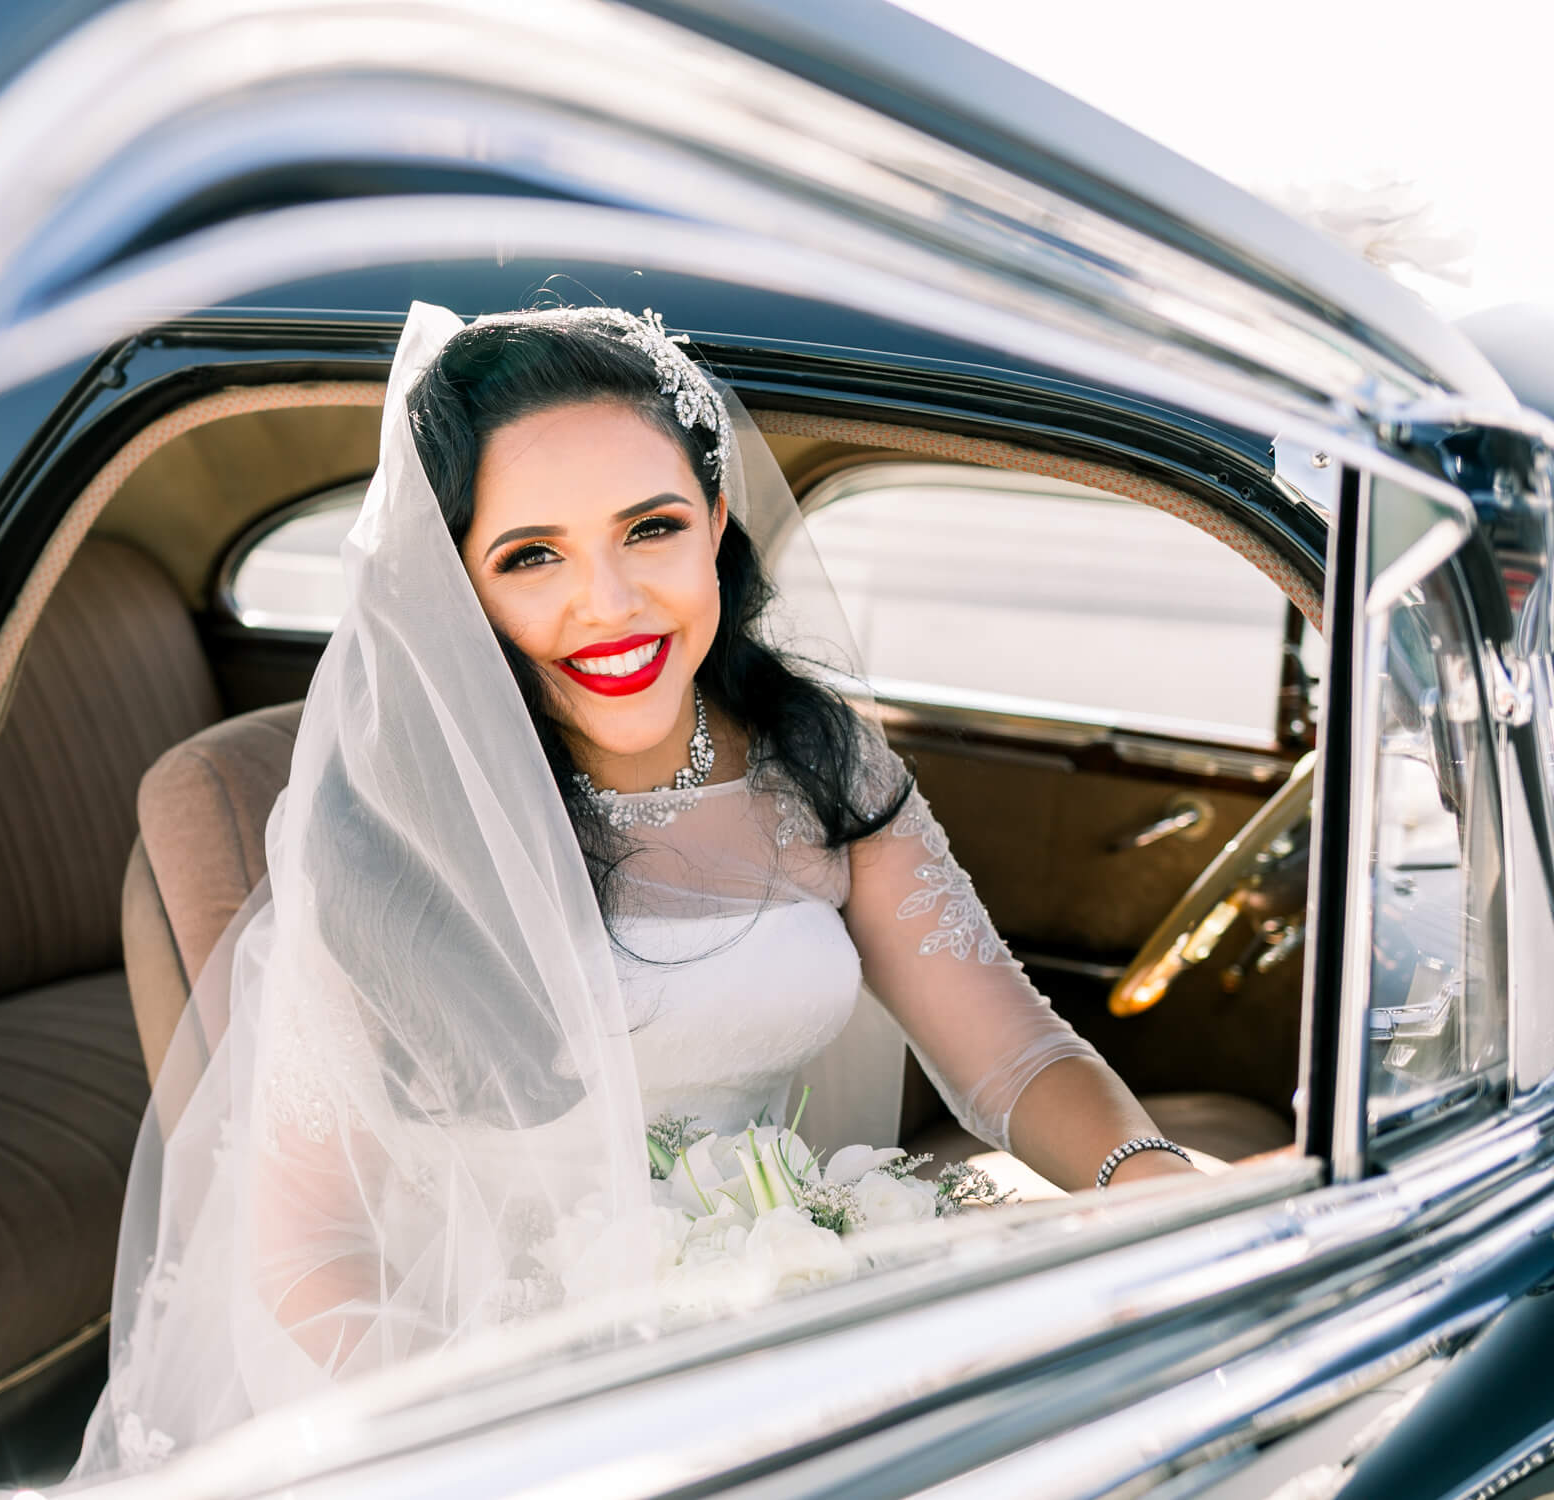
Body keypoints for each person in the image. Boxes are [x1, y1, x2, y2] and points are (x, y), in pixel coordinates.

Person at [70, 301, 1198, 1479]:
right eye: (531, 556)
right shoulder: (386, 827)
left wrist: (1148, 1183)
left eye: (649, 529)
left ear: (715, 522)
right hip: (462, 1396)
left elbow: (1013, 1054)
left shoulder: (824, 765)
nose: (606, 604)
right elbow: (305, 1254)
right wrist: (526, 1451)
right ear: (455, 586)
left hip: (773, 1339)